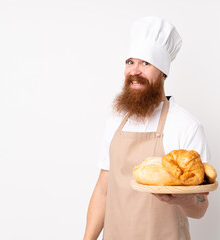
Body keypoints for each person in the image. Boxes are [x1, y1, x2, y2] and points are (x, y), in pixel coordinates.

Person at [83, 16, 211, 240]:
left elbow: (200, 208)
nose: (135, 71)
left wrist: (183, 198)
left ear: (163, 72)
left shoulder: (185, 125)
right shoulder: (115, 121)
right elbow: (103, 191)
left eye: (146, 63)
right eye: (130, 62)